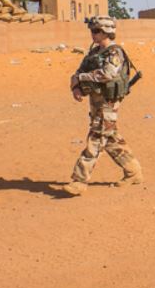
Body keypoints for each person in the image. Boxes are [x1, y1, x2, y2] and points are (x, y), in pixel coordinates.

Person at [55, 17, 142, 196]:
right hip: (96, 102)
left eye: (96, 31)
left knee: (96, 138)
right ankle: (133, 172)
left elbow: (108, 74)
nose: (92, 34)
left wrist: (82, 78)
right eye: (92, 31)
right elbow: (79, 71)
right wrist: (76, 86)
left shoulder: (115, 52)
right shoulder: (95, 52)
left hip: (108, 103)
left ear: (106, 32)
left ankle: (79, 181)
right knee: (110, 138)